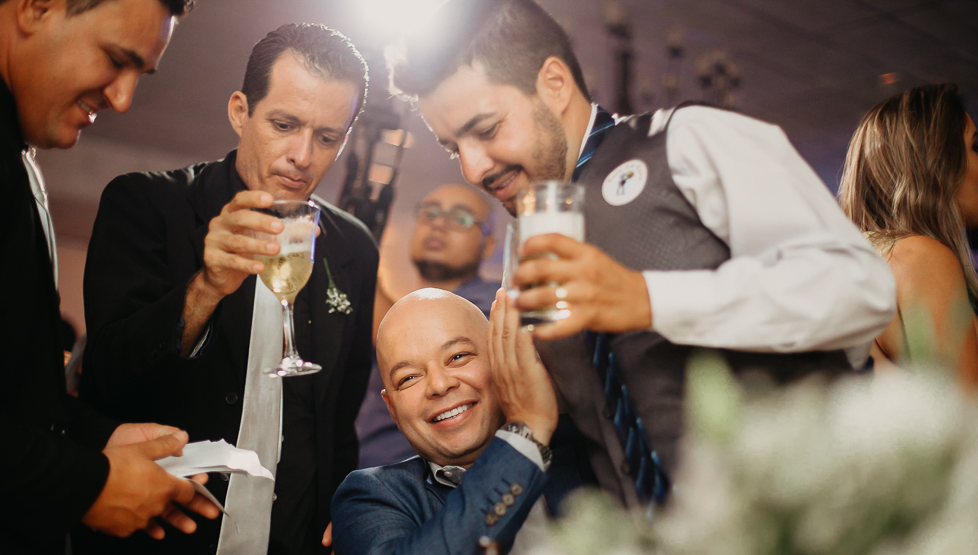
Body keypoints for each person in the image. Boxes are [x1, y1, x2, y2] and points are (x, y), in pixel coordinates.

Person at [385, 0, 897, 507]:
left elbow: (860, 287)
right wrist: (408, 508)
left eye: (487, 128)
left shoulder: (689, 140)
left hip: (802, 520)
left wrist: (647, 298)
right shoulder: (525, 238)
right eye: (454, 147)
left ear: (555, 84)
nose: (473, 169)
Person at [78, 23, 378, 555]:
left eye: (327, 137)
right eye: (284, 124)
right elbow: (105, 380)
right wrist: (206, 287)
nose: (303, 155)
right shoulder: (146, 205)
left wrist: (340, 553)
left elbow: (336, 422)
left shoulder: (353, 247)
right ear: (240, 111)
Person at [0, 0, 217, 555]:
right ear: (36, 7)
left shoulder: (6, 142)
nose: (122, 98)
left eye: (141, 74)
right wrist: (87, 482)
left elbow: (5, 389)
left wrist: (99, 438)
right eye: (117, 61)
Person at [333, 288, 590, 555]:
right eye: (408, 378)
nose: (439, 384)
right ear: (392, 409)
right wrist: (523, 437)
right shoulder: (372, 497)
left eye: (457, 356)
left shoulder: (590, 455)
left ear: (500, 359)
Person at [839, 83, 978, 386]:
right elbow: (968, 416)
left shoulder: (874, 258)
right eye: (975, 147)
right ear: (936, 164)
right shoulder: (921, 257)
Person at [356, 183, 499, 467]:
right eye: (430, 214)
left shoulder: (492, 302)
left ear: (489, 245)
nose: (439, 226)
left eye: (460, 218)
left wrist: (358, 259)